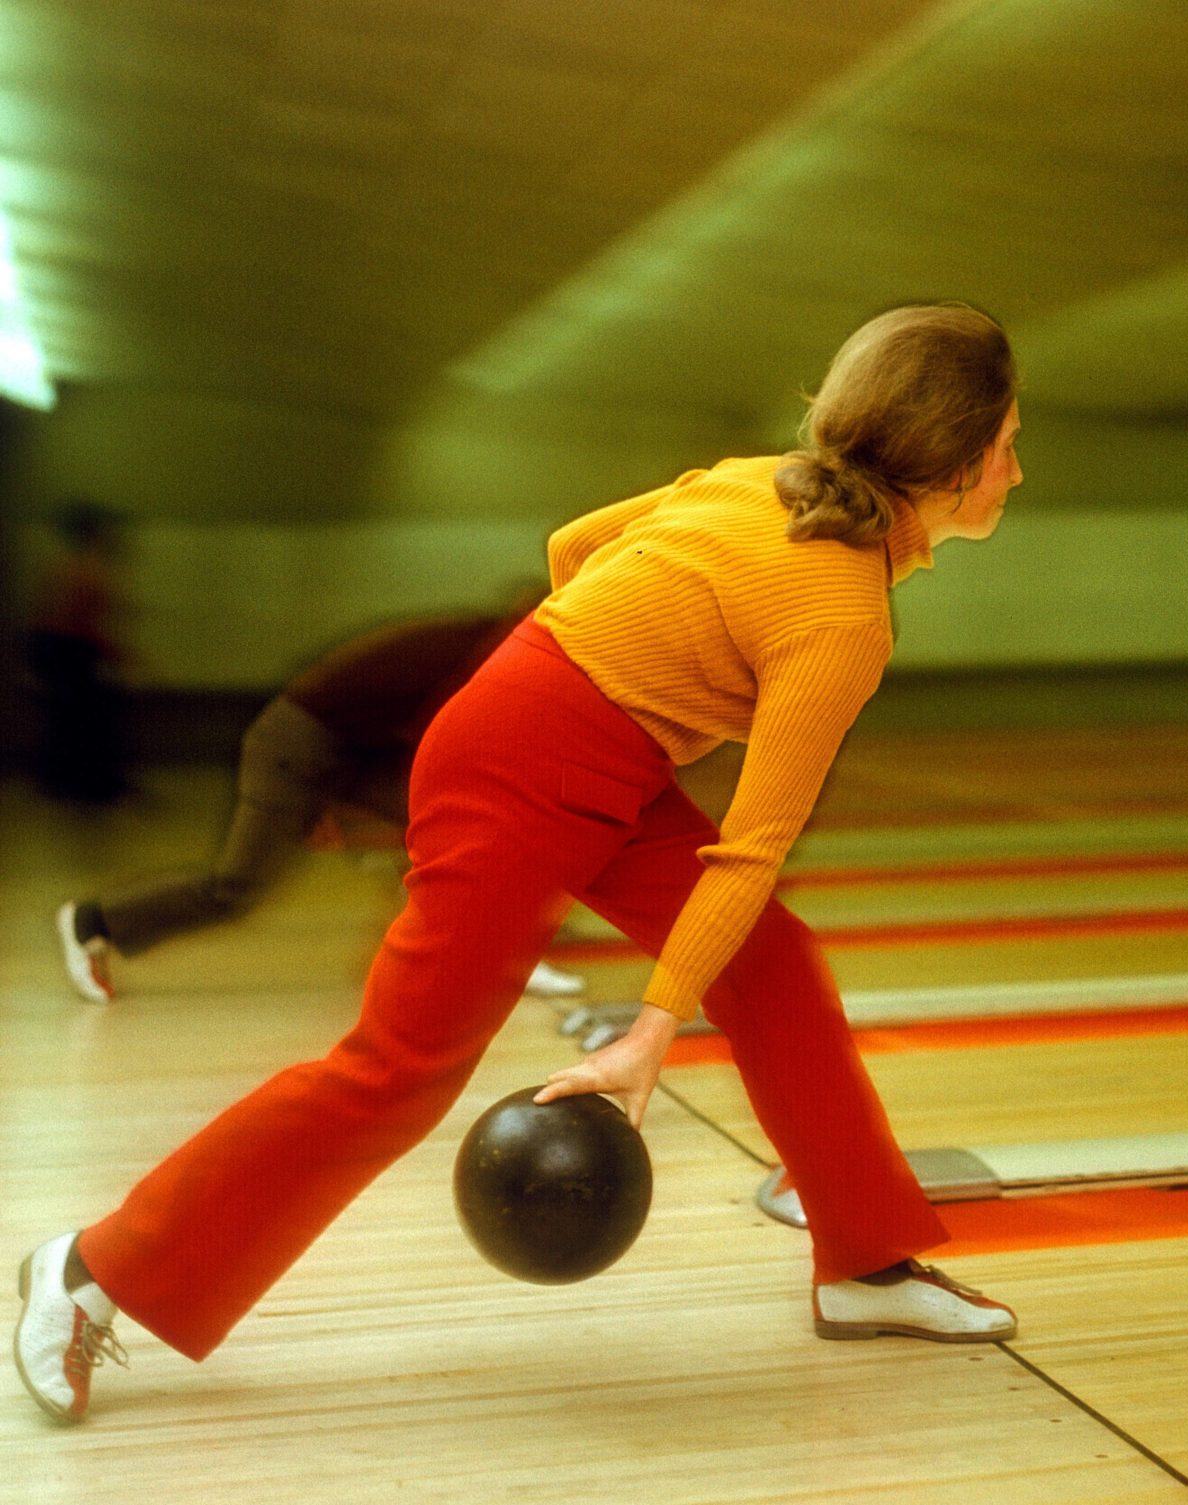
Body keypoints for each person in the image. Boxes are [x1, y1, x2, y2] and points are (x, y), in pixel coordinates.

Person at [14, 301, 1025, 1425]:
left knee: (774, 965)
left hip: (580, 738)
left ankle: (865, 1261)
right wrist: (653, 1028)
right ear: (953, 462)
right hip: (524, 761)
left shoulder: (760, 479)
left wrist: (629, 663)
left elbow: (574, 548)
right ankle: (92, 1270)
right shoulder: (843, 617)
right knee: (395, 1069)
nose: (1016, 473)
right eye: (1008, 448)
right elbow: (753, 845)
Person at [53, 584, 585, 1006]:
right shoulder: (498, 651)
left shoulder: (504, 638)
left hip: (346, 748)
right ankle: (92, 922)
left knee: (471, 827)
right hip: (298, 744)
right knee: (234, 888)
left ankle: (481, 959)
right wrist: (337, 810)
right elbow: (442, 746)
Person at [23, 499, 133, 804]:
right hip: (67, 647)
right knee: (89, 714)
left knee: (70, 714)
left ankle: (62, 780)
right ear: (97, 535)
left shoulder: (66, 564)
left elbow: (50, 613)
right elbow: (81, 623)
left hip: (50, 645)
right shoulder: (89, 570)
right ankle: (91, 784)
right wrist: (118, 655)